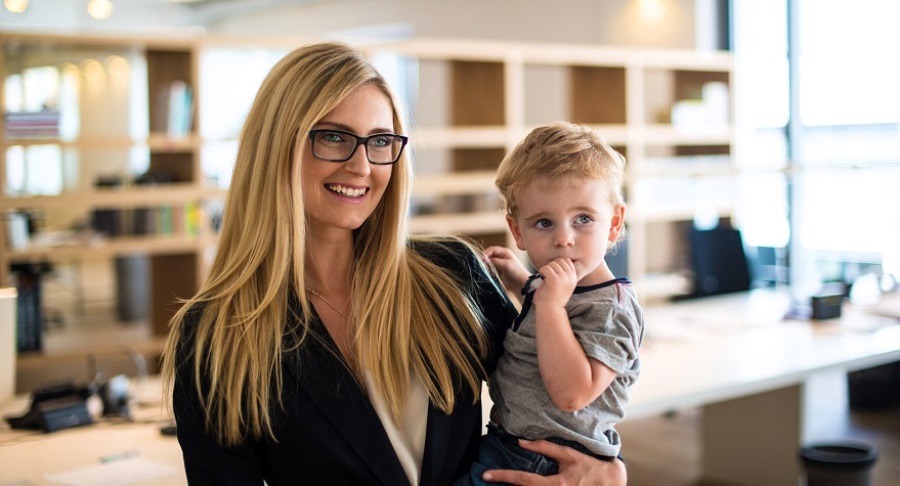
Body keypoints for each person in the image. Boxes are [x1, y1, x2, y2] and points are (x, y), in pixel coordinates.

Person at [161, 42, 627, 485]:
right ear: (275, 146)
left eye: (380, 141)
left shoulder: (452, 274)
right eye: (333, 137)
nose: (362, 165)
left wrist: (611, 470)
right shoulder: (214, 334)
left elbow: (553, 393)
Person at [457, 122, 644, 484]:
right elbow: (550, 322)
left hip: (548, 460)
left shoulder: (611, 308)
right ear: (517, 232)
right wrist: (518, 282)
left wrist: (550, 306)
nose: (564, 239)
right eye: (543, 222)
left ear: (614, 223)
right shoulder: (555, 287)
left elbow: (573, 394)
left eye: (583, 219)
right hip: (512, 442)